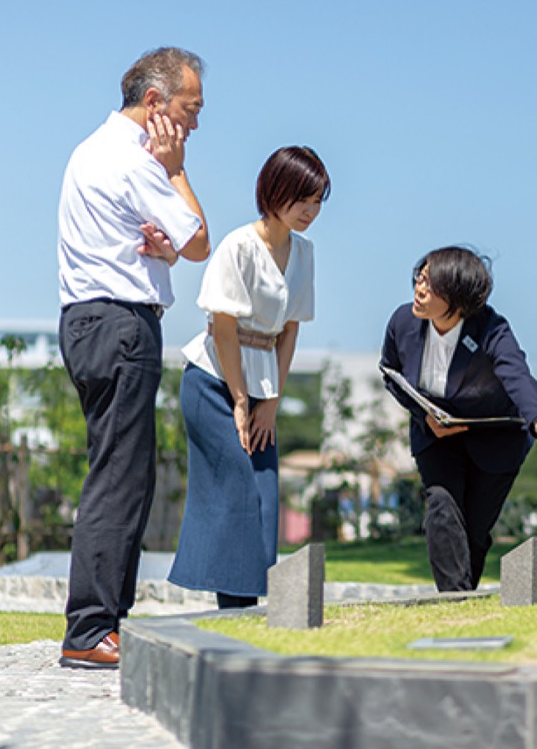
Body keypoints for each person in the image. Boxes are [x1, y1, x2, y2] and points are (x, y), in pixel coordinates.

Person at [56, 47, 210, 669]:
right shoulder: (137, 158)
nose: (194, 124)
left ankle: (106, 622)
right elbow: (198, 239)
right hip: (121, 323)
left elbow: (169, 248)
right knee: (120, 473)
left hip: (88, 321)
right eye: (189, 109)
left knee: (122, 469)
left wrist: (164, 253)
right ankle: (90, 627)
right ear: (155, 103)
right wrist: (176, 169)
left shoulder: (88, 150)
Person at [167, 146, 330, 608]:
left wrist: (271, 400)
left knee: (262, 493)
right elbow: (222, 328)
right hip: (214, 380)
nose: (310, 211)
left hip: (262, 386)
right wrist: (240, 399)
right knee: (235, 488)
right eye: (302, 198)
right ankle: (235, 610)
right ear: (274, 191)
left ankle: (248, 607)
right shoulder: (239, 245)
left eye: (317, 201)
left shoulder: (304, 252)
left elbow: (291, 327)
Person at [380, 246, 537, 592]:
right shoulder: (403, 322)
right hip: (435, 434)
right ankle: (454, 601)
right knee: (442, 510)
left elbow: (517, 375)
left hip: (495, 439)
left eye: (431, 284)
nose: (419, 288)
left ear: (458, 300)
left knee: (474, 530)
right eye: (420, 277)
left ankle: (462, 595)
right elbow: (390, 373)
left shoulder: (492, 328)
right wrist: (423, 416)